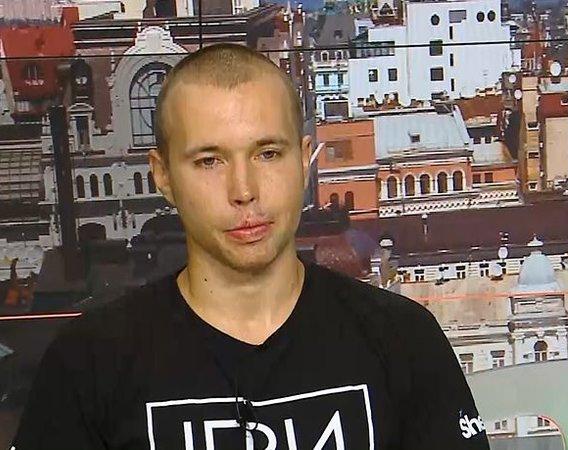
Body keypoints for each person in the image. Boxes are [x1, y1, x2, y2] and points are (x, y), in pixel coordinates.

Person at [10, 44, 489, 450]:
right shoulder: (89, 364)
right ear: (163, 175)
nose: (244, 190)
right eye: (209, 161)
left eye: (267, 153)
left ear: (304, 162)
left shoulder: (403, 341)